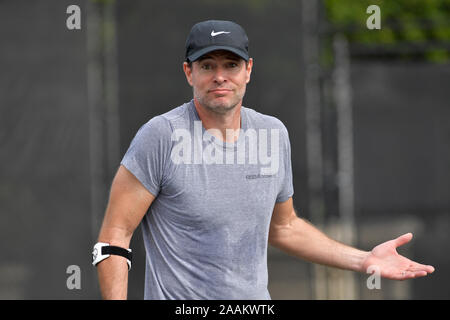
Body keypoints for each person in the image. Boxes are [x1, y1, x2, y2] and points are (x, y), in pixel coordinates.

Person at [93, 20, 435, 300]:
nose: (220, 76)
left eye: (231, 64)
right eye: (207, 65)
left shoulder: (273, 134)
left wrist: (365, 260)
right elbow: (114, 236)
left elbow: (284, 228)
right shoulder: (160, 136)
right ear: (189, 72)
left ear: (248, 70)